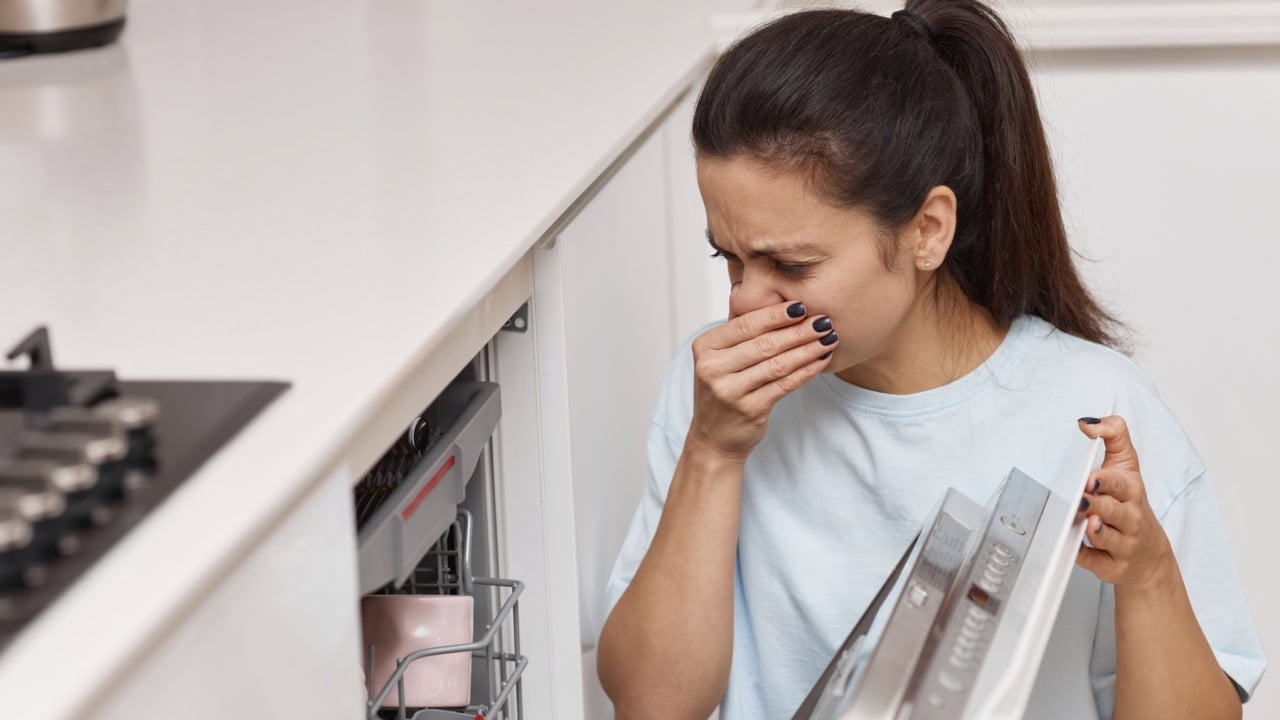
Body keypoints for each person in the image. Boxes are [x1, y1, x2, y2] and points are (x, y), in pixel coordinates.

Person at [594, 2, 1266, 719]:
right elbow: (652, 705)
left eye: (789, 264)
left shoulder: (1096, 411)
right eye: (727, 259)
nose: (745, 305)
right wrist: (712, 453)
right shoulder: (714, 394)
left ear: (928, 231)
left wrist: (1148, 575)